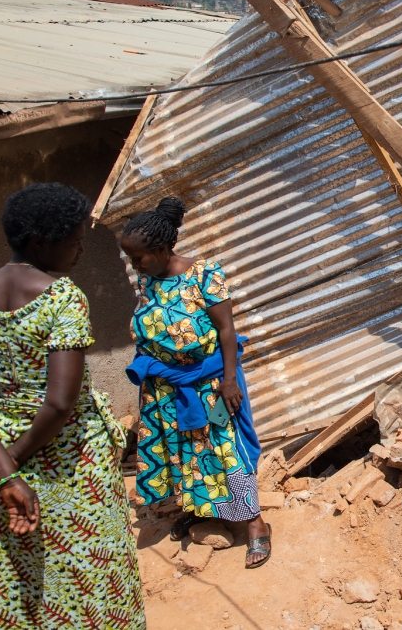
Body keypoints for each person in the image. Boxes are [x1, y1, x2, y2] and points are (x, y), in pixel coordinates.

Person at [0, 183, 146, 628]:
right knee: (94, 564)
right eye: (73, 243)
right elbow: (59, 402)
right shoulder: (61, 297)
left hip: (2, 444)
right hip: (71, 452)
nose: (78, 253)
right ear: (41, 243)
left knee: (27, 565)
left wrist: (5, 467)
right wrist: (14, 460)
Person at [120, 197, 271, 569]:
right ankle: (205, 510)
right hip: (169, 388)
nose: (134, 266)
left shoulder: (204, 273)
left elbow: (227, 329)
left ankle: (255, 524)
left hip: (211, 384)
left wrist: (230, 381)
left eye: (138, 258)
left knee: (225, 446)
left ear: (160, 248)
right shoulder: (148, 279)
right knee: (185, 452)